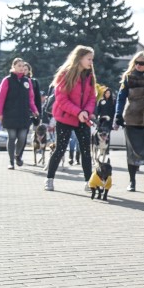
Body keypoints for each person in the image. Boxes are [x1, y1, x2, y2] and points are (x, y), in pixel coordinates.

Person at [44, 46, 97, 192]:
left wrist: (86, 111)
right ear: (80, 58)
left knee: (86, 150)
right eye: (89, 59)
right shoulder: (65, 74)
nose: (91, 62)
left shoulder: (90, 76)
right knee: (60, 149)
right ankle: (49, 179)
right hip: (65, 118)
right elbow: (61, 99)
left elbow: (92, 97)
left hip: (82, 119)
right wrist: (78, 112)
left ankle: (88, 182)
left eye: (92, 59)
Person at [115, 52, 144, 193]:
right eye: (136, 62)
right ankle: (132, 181)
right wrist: (118, 114)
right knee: (132, 153)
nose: (138, 65)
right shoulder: (128, 78)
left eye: (142, 63)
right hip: (131, 119)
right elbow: (121, 98)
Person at [0, 57, 40, 170]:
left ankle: (17, 155)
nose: (21, 68)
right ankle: (11, 161)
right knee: (11, 137)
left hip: (23, 114)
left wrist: (35, 110)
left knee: (22, 137)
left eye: (22, 66)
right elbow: (1, 98)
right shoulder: (7, 80)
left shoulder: (27, 81)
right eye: (19, 66)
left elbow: (31, 99)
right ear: (13, 67)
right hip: (10, 114)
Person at [94, 87, 116, 152]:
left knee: (107, 135)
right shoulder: (101, 101)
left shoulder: (113, 101)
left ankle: (106, 151)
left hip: (109, 121)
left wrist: (114, 121)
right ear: (104, 93)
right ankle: (99, 148)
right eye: (106, 93)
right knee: (99, 134)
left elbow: (114, 111)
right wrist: (96, 119)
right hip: (102, 121)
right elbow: (98, 111)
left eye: (109, 93)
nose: (107, 94)